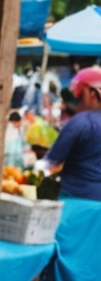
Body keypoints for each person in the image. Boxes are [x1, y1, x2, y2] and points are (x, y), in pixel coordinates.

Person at [43, 68, 101, 200]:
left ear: (92, 94)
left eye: (80, 96)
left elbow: (52, 161)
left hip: (76, 200)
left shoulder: (82, 122)